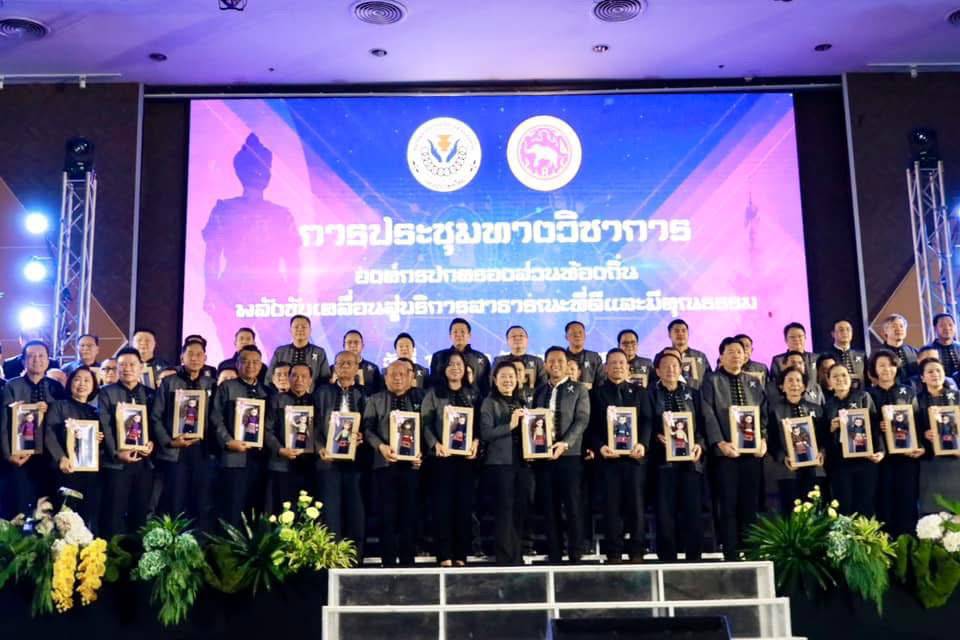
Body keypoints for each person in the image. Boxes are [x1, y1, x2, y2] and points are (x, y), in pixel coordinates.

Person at [202, 133, 302, 354]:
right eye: (253, 169)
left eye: (262, 169)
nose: (258, 174)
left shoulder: (281, 214)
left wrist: (292, 294)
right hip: (233, 288)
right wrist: (211, 292)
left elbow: (293, 260)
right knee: (234, 355)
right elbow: (212, 256)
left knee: (279, 357)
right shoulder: (224, 209)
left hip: (272, 290)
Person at [701, 337, 768, 560]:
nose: (736, 356)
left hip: (752, 454)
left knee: (751, 503)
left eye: (739, 351)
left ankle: (751, 552)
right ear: (721, 356)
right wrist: (720, 443)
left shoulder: (754, 382)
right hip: (725, 454)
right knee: (727, 503)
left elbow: (763, 414)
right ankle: (730, 551)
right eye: (730, 352)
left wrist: (763, 439)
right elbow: (707, 413)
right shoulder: (711, 381)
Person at [589, 348, 652, 563]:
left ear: (628, 367)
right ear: (606, 367)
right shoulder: (596, 394)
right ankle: (613, 553)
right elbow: (591, 428)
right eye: (613, 363)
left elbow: (647, 421)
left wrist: (643, 444)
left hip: (634, 459)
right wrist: (600, 447)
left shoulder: (640, 392)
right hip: (608, 460)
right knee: (611, 507)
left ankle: (637, 552)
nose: (618, 366)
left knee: (636, 507)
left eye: (621, 363)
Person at [363, 360, 425, 566]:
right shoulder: (375, 399)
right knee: (386, 515)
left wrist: (422, 454)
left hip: (412, 466)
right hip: (384, 465)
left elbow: (427, 429)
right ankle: (387, 563)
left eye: (401, 374)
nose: (397, 378)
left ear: (410, 377)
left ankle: (408, 562)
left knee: (410, 515)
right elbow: (368, 430)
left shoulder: (421, 398)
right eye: (392, 374)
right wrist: (380, 446)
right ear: (385, 377)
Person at [532, 346, 591, 563]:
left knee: (573, 504)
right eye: (551, 361)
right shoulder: (539, 391)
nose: (555, 365)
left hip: (570, 455)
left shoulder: (579, 389)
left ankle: (576, 552)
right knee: (549, 506)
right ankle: (555, 553)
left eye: (560, 361)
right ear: (545, 364)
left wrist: (565, 443)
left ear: (567, 364)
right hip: (544, 456)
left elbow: (582, 419)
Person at [422, 351, 480, 566]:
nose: (456, 368)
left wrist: (476, 442)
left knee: (464, 507)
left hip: (466, 460)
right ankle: (444, 554)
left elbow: (480, 424)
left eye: (459, 364)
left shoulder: (474, 394)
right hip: (441, 459)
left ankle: (461, 554)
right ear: (443, 369)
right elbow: (425, 423)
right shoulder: (433, 394)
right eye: (451, 364)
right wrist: (434, 444)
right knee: (442, 506)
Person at [149, 339, 215, 530]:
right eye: (190, 354)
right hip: (175, 451)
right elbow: (155, 417)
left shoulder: (211, 384)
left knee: (200, 501)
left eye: (199, 354)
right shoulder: (169, 382)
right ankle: (173, 541)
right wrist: (170, 442)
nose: (195, 358)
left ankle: (197, 542)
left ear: (205, 358)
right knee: (175, 500)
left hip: (202, 452)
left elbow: (216, 418)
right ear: (181, 357)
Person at [649, 349, 705, 562]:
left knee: (693, 511)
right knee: (665, 513)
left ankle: (694, 558)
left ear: (681, 369)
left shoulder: (693, 393)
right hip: (663, 463)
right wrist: (656, 437)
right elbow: (644, 424)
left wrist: (699, 445)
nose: (670, 370)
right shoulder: (650, 394)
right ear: (657, 371)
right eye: (665, 366)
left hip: (691, 463)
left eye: (674, 366)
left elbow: (703, 425)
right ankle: (667, 559)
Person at [0, 340, 66, 517]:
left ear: (48, 360)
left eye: (41, 356)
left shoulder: (56, 387)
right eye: (31, 356)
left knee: (48, 507)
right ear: (23, 361)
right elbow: (4, 423)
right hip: (20, 455)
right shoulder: (12, 386)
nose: (37, 360)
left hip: (49, 455)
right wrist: (8, 454)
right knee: (20, 506)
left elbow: (63, 420)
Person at [210, 345, 271, 528]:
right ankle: (229, 545)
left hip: (261, 460)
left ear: (261, 365)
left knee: (257, 508)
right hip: (234, 458)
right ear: (237, 364)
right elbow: (215, 418)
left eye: (255, 362)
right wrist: (228, 441)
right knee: (233, 506)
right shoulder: (226, 388)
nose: (250, 365)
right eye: (245, 361)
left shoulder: (268, 392)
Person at [315, 350, 368, 560]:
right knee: (330, 513)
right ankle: (332, 560)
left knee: (356, 512)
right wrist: (320, 447)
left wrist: (363, 436)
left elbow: (371, 424)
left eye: (349, 363)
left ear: (357, 368)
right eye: (340, 363)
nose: (344, 366)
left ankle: (355, 560)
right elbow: (313, 424)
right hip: (328, 462)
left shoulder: (365, 394)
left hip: (356, 463)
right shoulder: (322, 392)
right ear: (334, 367)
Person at [479, 361, 532, 564]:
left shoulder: (522, 402)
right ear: (495, 380)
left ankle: (516, 556)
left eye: (511, 376)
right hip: (500, 464)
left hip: (522, 463)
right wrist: (510, 425)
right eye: (503, 376)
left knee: (520, 510)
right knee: (504, 511)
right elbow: (485, 433)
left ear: (517, 379)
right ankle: (504, 558)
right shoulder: (489, 402)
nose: (508, 380)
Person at [99, 347, 155, 536]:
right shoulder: (106, 393)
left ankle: (137, 551)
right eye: (122, 365)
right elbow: (105, 425)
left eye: (132, 364)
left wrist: (152, 443)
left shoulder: (150, 394)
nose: (127, 368)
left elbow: (155, 423)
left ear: (141, 367)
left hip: (144, 463)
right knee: (113, 513)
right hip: (116, 464)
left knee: (140, 514)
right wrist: (117, 452)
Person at [867, 350, 924, 538]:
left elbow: (917, 421)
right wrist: (878, 425)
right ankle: (885, 546)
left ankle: (908, 545)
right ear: (874, 369)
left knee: (907, 502)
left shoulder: (907, 391)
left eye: (891, 365)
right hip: (880, 459)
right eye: (881, 365)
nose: (887, 369)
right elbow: (862, 426)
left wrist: (920, 445)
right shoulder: (868, 395)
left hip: (906, 457)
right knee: (883, 502)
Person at [45, 366, 103, 531]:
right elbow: (49, 434)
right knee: (64, 518)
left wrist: (99, 439)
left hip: (89, 472)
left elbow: (100, 444)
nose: (82, 384)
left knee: (86, 517)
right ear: (70, 383)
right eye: (77, 379)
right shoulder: (59, 406)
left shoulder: (96, 412)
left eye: (87, 380)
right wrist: (61, 458)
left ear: (93, 386)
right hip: (66, 470)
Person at [822, 363, 883, 516]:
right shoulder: (828, 405)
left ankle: (865, 532)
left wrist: (880, 450)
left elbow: (874, 426)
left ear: (850, 378)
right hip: (839, 462)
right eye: (835, 376)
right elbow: (822, 436)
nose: (840, 379)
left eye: (844, 375)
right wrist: (830, 428)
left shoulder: (863, 397)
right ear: (829, 381)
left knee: (865, 504)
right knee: (844, 504)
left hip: (864, 458)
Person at [767, 366, 824, 514]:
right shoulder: (774, 410)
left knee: (814, 511)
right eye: (790, 380)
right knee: (791, 512)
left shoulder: (816, 409)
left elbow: (823, 437)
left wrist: (822, 453)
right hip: (788, 470)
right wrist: (783, 458)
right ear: (782, 386)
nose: (795, 384)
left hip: (814, 468)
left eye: (798, 380)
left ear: (804, 386)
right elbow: (771, 440)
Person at [265, 362, 315, 511]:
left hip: (309, 464)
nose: (299, 380)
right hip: (281, 463)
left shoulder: (316, 401)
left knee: (306, 510)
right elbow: (266, 430)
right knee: (282, 509)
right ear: (289, 378)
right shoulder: (276, 400)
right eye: (294, 376)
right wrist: (279, 449)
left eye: (304, 376)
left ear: (310, 380)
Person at [916, 358, 960, 515]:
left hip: (956, 458)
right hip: (930, 460)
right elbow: (912, 427)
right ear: (922, 378)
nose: (935, 374)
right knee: (933, 507)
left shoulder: (957, 396)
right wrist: (923, 434)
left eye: (938, 370)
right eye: (930, 371)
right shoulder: (917, 400)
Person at [429, 318, 491, 396]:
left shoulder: (481, 358)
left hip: (474, 401)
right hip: (445, 400)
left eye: (462, 332)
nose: (458, 335)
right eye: (455, 332)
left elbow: (486, 387)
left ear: (469, 335)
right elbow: (433, 384)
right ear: (450, 336)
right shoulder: (439, 357)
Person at [266, 315, 331, 386]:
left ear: (310, 330)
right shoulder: (280, 352)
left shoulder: (319, 352)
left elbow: (325, 379)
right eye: (296, 327)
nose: (300, 329)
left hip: (312, 392)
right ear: (290, 330)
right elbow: (269, 378)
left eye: (304, 327)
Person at [492, 326, 546, 393]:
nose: (517, 338)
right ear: (507, 341)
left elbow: (543, 386)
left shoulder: (537, 361)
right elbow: (492, 385)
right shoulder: (498, 361)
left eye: (521, 335)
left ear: (527, 340)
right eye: (513, 336)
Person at [823, 320, 866, 390]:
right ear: (833, 334)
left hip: (860, 393)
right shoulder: (826, 356)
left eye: (848, 329)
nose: (845, 332)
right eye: (841, 330)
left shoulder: (861, 355)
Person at [668, 319, 711, 389]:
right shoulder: (663, 357)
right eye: (676, 331)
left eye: (683, 331)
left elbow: (709, 381)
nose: (680, 334)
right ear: (669, 335)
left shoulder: (700, 356)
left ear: (688, 334)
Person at [880, 314, 919, 386]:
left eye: (901, 326)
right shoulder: (879, 354)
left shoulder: (914, 352)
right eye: (894, 326)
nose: (898, 329)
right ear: (885, 331)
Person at [564, 321, 604, 390]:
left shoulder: (594, 357)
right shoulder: (560, 358)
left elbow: (601, 382)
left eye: (580, 332)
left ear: (585, 336)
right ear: (566, 337)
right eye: (574, 333)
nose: (577, 335)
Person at [342, 330, 385, 394]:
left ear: (362, 345)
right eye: (349, 342)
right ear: (344, 346)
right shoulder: (334, 368)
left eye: (356, 342)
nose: (353, 345)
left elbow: (379, 393)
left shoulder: (373, 369)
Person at [926, 313, 960, 378]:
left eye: (950, 325)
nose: (947, 328)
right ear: (935, 328)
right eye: (942, 325)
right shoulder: (928, 350)